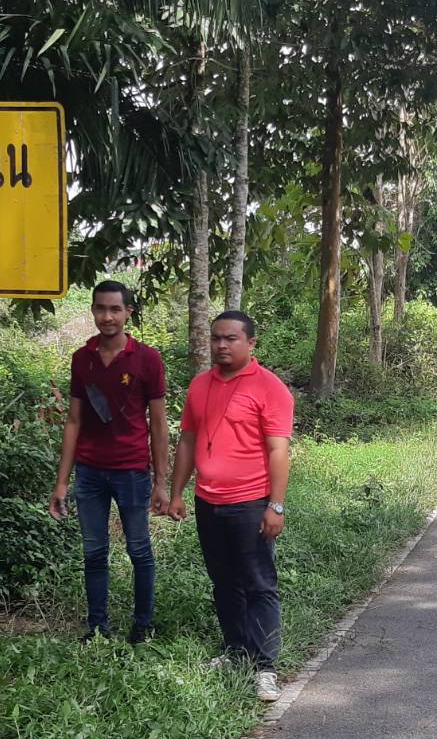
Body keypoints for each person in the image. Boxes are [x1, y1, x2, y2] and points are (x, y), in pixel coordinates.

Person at [166, 311, 293, 702]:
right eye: (217, 338)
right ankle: (236, 650)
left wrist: (276, 505)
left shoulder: (270, 389)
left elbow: (278, 450)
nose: (222, 345)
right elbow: (187, 441)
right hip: (209, 502)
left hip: (251, 503)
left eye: (232, 339)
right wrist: (176, 493)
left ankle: (265, 666)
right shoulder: (200, 385)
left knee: (258, 584)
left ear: (251, 343)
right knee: (224, 583)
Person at [49, 280, 170, 644]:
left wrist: (161, 481)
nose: (107, 316)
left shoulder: (147, 359)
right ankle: (97, 627)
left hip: (131, 470)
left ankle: (142, 626)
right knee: (94, 550)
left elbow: (159, 423)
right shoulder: (81, 359)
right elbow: (73, 421)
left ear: (128, 312)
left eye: (115, 309)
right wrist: (62, 482)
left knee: (139, 548)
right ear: (92, 310)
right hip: (89, 471)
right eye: (101, 308)